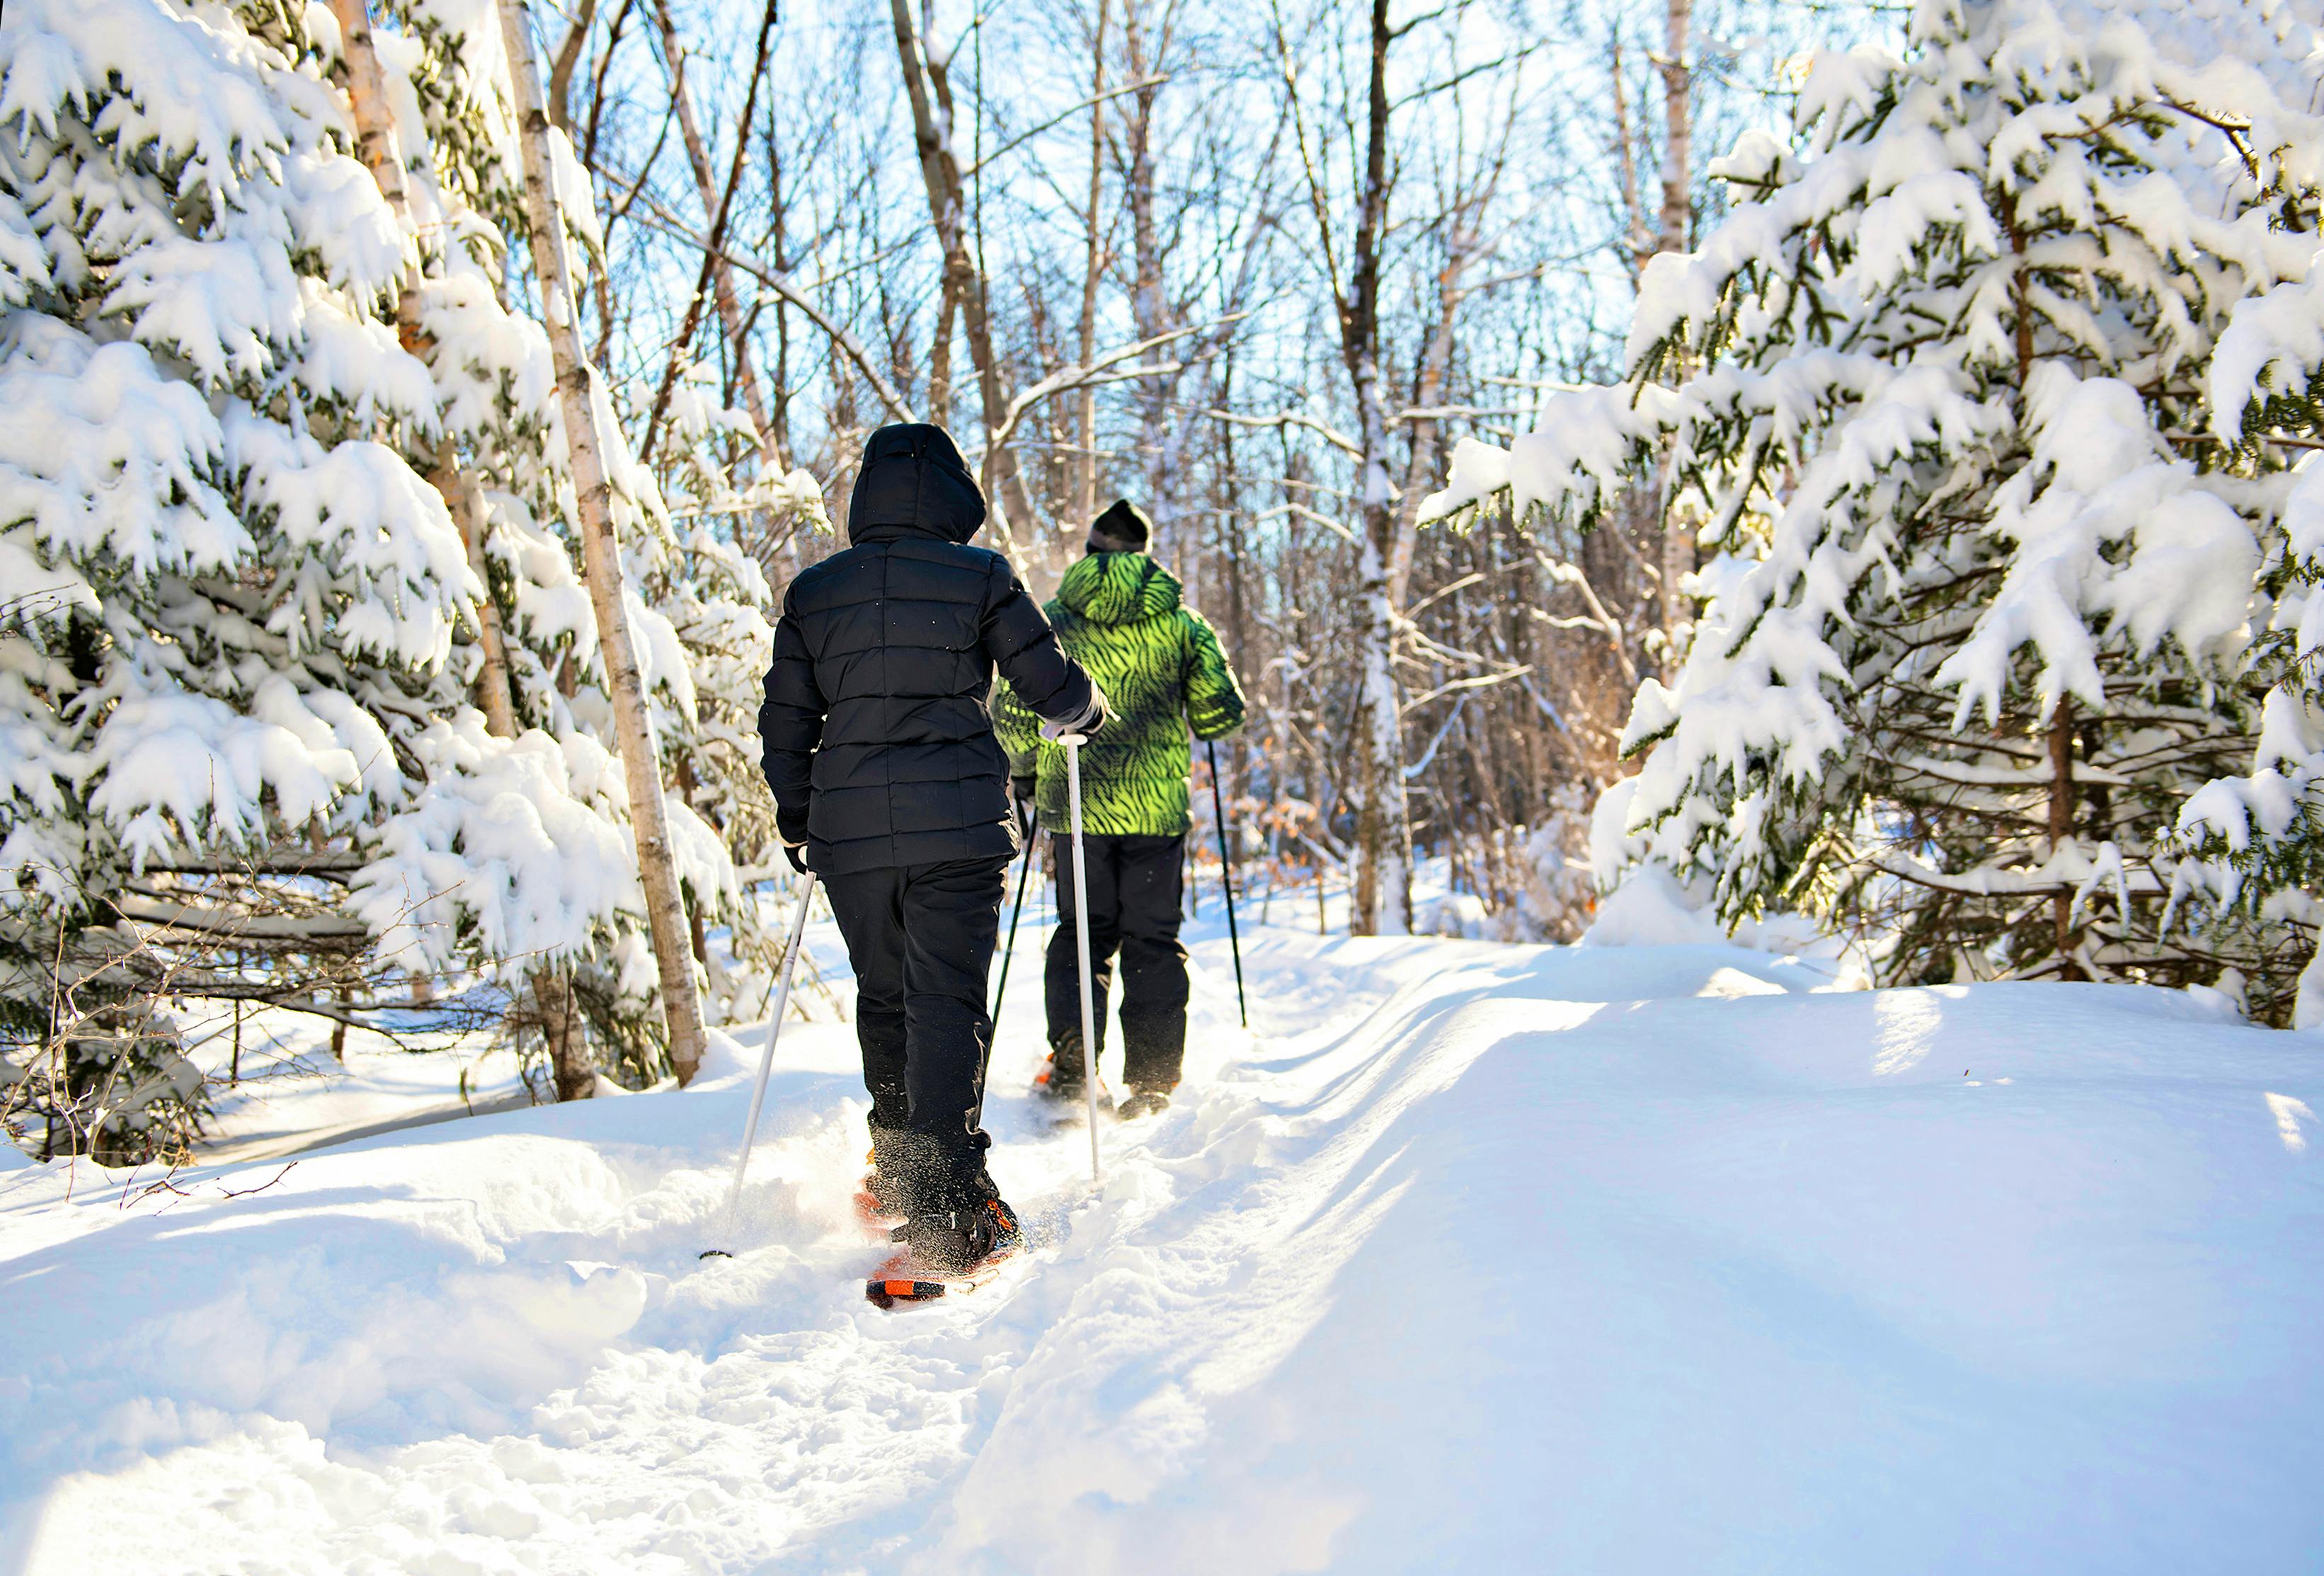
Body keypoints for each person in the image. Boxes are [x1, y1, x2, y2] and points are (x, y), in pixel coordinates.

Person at [760, 423, 1105, 1274]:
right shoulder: (979, 574)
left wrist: (799, 817)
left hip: (850, 837)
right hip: (956, 829)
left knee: (885, 997)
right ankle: (947, 1207)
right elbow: (1048, 685)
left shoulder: (815, 591)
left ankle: (899, 1173)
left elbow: (786, 720)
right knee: (943, 1001)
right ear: (952, 495)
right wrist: (1084, 710)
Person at [995, 499, 1247, 1120]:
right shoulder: (1182, 624)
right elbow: (1221, 713)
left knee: (1082, 934)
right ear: (1143, 554)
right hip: (1154, 810)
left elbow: (1012, 713)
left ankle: (1074, 1066)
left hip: (1076, 806)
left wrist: (1024, 775)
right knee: (1152, 938)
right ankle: (1152, 1083)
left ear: (1089, 553)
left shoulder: (1050, 621)